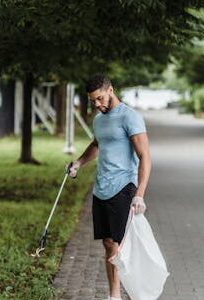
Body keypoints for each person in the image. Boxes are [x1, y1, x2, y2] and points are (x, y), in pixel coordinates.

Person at [67, 74, 151, 300]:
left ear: (111, 90)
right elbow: (97, 144)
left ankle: (133, 294)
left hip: (124, 187)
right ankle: (114, 296)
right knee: (108, 244)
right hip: (101, 188)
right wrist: (78, 163)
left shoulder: (129, 117)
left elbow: (145, 157)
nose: (97, 104)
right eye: (93, 100)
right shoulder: (99, 119)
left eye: (100, 98)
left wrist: (139, 195)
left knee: (122, 246)